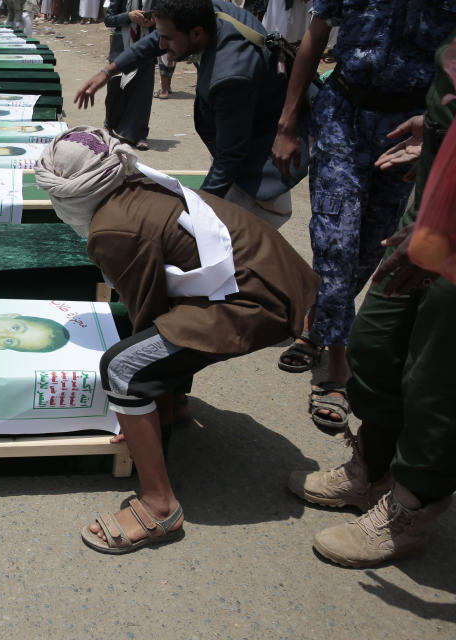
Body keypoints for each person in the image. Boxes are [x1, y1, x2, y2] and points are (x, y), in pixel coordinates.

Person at [35, 127, 318, 554]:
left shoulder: (112, 229)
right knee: (149, 352)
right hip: (270, 277)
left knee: (122, 368)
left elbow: (148, 315)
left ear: (71, 192)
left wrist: (137, 404)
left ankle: (158, 506)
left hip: (258, 298)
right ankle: (171, 411)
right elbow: (167, 298)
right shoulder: (135, 180)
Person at [287, 30, 456, 568]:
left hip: (448, 223)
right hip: (430, 191)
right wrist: (436, 133)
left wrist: (441, 227)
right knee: (377, 341)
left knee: (438, 376)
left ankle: (412, 508)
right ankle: (372, 472)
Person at [271, 2, 456, 432]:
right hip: (343, 114)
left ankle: (317, 323)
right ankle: (338, 370)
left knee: (375, 242)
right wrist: (287, 123)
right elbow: (315, 38)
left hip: (410, 127)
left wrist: (439, 128)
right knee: (336, 239)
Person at [75, 0, 304, 228]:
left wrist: (192, 212)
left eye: (168, 39)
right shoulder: (202, 12)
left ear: (196, 33)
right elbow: (157, 40)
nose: (162, 45)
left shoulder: (230, 75)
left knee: (238, 235)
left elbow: (229, 158)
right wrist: (108, 71)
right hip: (240, 131)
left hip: (260, 153)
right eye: (161, 35)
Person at [103, 0, 156, 150]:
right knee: (115, 89)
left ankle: (139, 134)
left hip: (147, 46)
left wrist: (153, 21)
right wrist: (129, 16)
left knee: (143, 93)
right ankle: (110, 125)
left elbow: (165, 18)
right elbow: (109, 20)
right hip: (122, 48)